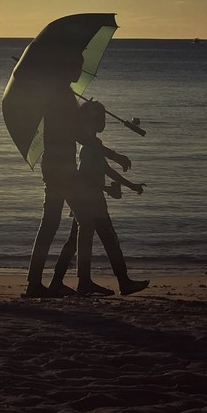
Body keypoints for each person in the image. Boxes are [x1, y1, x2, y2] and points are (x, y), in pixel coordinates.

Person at [24, 49, 132, 298]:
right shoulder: (60, 96)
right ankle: (77, 281)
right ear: (65, 69)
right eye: (75, 67)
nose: (79, 72)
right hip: (61, 168)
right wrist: (114, 155)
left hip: (56, 166)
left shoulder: (59, 94)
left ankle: (39, 283)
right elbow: (79, 134)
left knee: (55, 224)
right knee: (80, 221)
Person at [49, 100, 150, 297]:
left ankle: (59, 281)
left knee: (76, 242)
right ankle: (120, 282)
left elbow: (106, 169)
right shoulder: (88, 147)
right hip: (90, 202)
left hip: (90, 200)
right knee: (108, 240)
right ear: (90, 120)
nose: (102, 121)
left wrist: (131, 185)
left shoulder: (93, 143)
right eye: (98, 116)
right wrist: (106, 188)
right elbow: (83, 176)